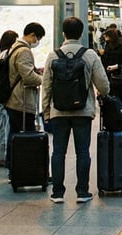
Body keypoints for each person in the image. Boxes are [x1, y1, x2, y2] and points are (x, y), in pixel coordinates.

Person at [42, 16, 109, 204]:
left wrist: (46, 111)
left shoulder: (53, 55)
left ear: (63, 33)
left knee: (58, 152)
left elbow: (46, 86)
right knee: (82, 152)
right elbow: (103, 86)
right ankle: (82, 192)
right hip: (82, 112)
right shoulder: (90, 55)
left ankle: (57, 193)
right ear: (81, 34)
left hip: (58, 112)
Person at [4, 22, 45, 169]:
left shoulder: (15, 47)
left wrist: (36, 70)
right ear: (32, 35)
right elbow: (28, 77)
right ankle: (28, 170)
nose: (37, 42)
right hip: (21, 101)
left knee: (14, 134)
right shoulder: (24, 51)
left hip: (13, 100)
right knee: (28, 136)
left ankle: (13, 168)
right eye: (37, 38)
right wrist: (44, 80)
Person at [0, 30, 18, 167]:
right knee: (7, 125)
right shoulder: (8, 56)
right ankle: (6, 155)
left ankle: (1, 155)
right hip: (7, 95)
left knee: (1, 125)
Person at [100, 27, 122, 102]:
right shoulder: (107, 46)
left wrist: (117, 67)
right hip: (110, 78)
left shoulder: (121, 46)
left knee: (119, 100)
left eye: (106, 36)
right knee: (111, 101)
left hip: (119, 78)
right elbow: (105, 61)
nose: (105, 38)